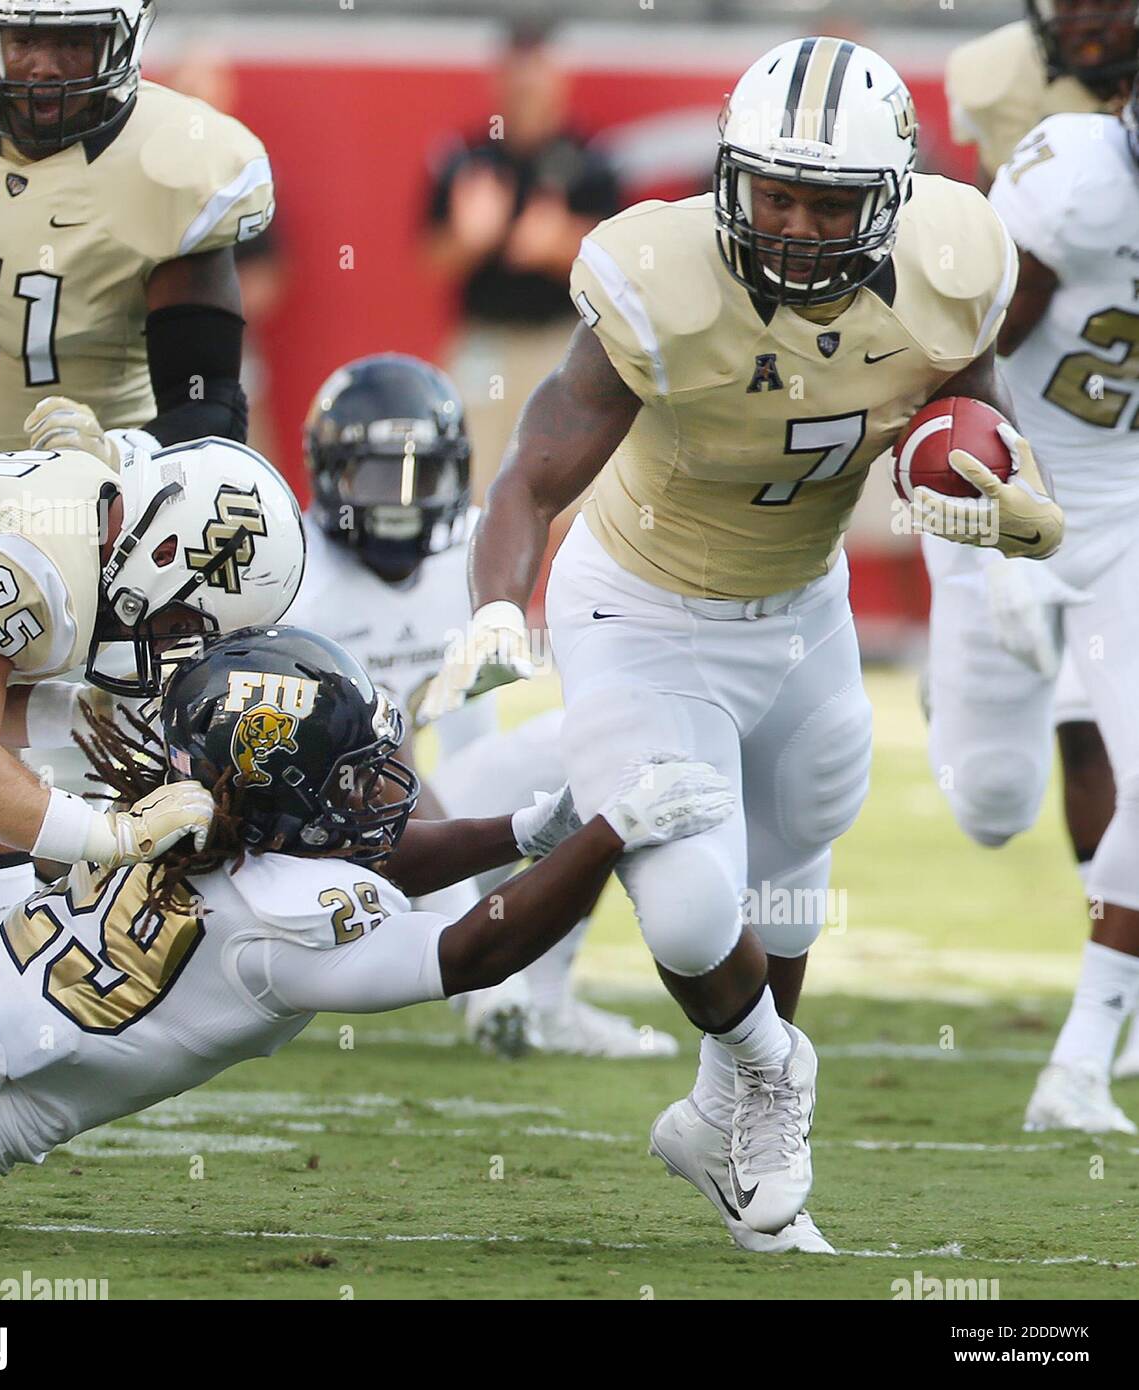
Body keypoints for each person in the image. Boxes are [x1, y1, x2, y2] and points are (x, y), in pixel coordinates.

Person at [419, 36, 1064, 1251]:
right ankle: (769, 1072)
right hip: (644, 607)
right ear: (730, 175)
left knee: (800, 834)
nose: (796, 227)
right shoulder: (659, 278)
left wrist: (1009, 493)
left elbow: (972, 404)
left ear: (885, 202)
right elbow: (530, 472)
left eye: (829, 203)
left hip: (800, 600)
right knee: (682, 908)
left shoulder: (951, 256)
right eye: (775, 193)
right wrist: (499, 612)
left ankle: (722, 1124)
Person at [0, 624, 729, 1231]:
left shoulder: (184, 820)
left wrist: (525, 831)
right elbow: (475, 950)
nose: (376, 795)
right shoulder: (276, 922)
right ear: (282, 796)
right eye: (348, 781)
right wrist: (612, 833)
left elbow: (366, 861)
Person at [0, 0, 276, 930]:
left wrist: (138, 472)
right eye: (23, 37)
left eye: (73, 39)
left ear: (122, 41)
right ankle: (1, 941)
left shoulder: (174, 165)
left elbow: (206, 401)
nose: (43, 64)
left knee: (127, 745)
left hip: (97, 493)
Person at [287, 351, 677, 1059]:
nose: (400, 499)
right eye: (376, 477)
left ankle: (548, 1003)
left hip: (418, 842)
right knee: (368, 749)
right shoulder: (292, 568)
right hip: (304, 850)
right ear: (328, 474)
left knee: (594, 743)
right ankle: (489, 983)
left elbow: (470, 738)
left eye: (420, 475)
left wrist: (477, 858)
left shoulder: (472, 549)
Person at [926, 94, 1139, 1131]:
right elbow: (962, 353)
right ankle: (1031, 682)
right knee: (991, 803)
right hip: (1000, 488)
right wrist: (996, 520)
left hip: (1129, 511)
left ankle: (1079, 1065)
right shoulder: (1076, 181)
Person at [0, 436, 304, 900]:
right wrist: (114, 836)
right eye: (182, 622)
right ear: (164, 553)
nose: (169, 640)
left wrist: (87, 714)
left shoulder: (87, 497)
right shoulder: (37, 574)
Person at [422, 18, 620, 500]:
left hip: (563, 343)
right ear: (499, 80)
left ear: (558, 81)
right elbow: (431, 259)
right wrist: (470, 239)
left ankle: (552, 581)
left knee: (572, 492)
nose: (527, 92)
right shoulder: (466, 158)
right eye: (517, 79)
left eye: (538, 79)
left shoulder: (590, 159)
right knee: (467, 481)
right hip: (484, 342)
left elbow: (619, 263)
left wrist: (560, 246)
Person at [946, 0, 1138, 192]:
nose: (1089, 23)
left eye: (1108, 3)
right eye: (1070, 4)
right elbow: (993, 205)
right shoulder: (1002, 71)